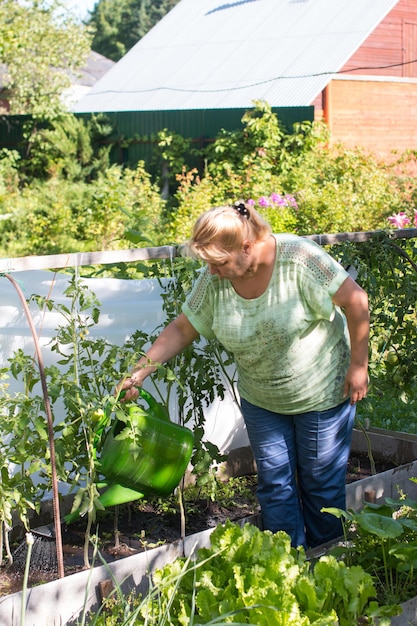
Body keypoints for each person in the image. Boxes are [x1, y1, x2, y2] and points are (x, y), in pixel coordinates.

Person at [118, 202, 369, 549]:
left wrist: (359, 366)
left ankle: (329, 561)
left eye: (219, 263)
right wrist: (139, 372)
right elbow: (182, 328)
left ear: (247, 246)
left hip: (321, 394)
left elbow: (356, 301)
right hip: (262, 399)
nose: (213, 271)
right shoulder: (215, 279)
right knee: (275, 485)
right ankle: (287, 566)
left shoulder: (298, 259)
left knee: (320, 483)